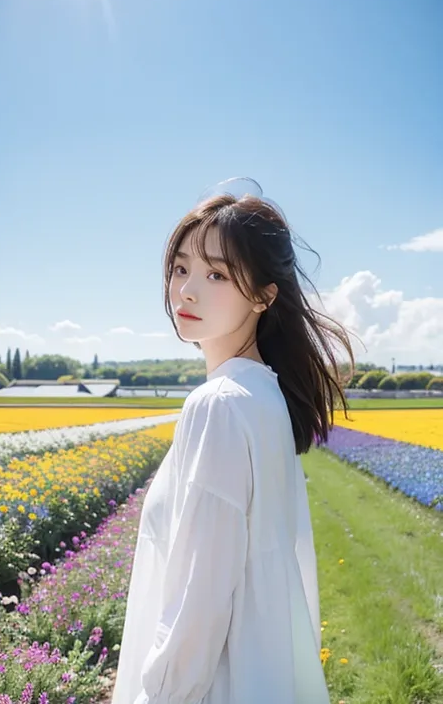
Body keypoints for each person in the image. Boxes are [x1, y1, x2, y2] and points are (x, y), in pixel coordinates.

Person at [111, 177, 354, 704]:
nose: (187, 290)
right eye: (180, 268)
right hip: (264, 673)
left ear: (265, 296)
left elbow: (198, 602)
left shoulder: (218, 405)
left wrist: (161, 693)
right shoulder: (264, 397)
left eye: (216, 273)